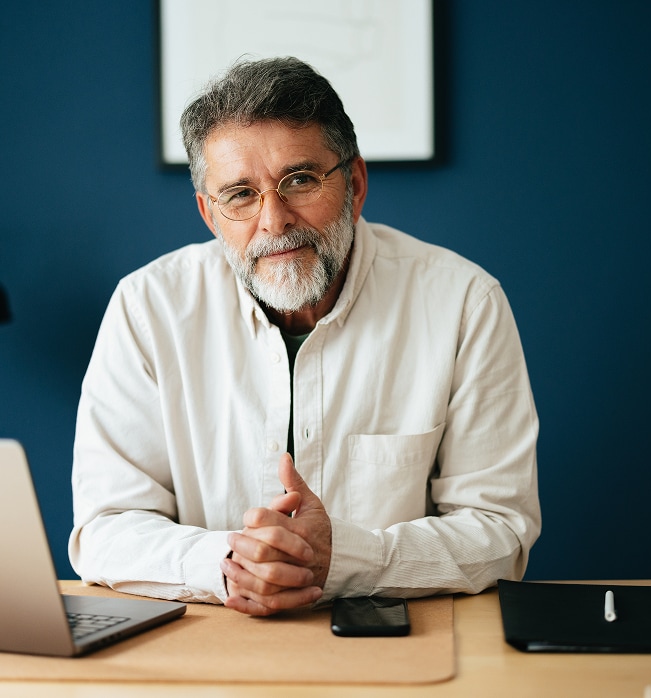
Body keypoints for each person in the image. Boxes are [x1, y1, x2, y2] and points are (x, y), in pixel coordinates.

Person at [69, 56, 541, 617]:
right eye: (240, 194)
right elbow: (104, 528)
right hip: (208, 645)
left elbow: (500, 530)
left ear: (355, 184)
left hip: (399, 648)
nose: (274, 220)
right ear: (209, 214)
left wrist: (344, 557)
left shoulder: (464, 302)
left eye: (299, 180)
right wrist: (230, 562)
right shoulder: (148, 307)